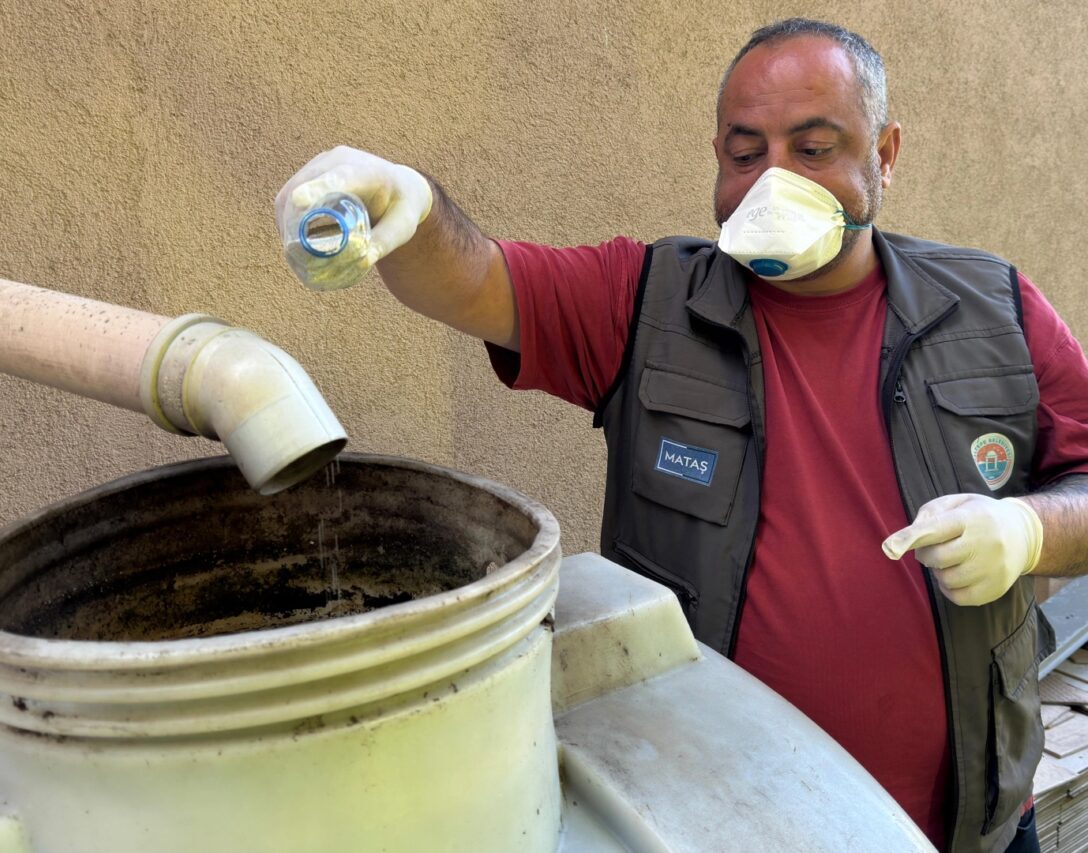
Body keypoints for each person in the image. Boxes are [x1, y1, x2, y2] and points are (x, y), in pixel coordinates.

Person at [275, 18, 1088, 853]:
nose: (772, 181)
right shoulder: (645, 304)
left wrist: (1028, 530)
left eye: (813, 150)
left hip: (964, 832)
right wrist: (406, 208)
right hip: (708, 825)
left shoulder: (997, 313)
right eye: (744, 154)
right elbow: (478, 279)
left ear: (883, 154)